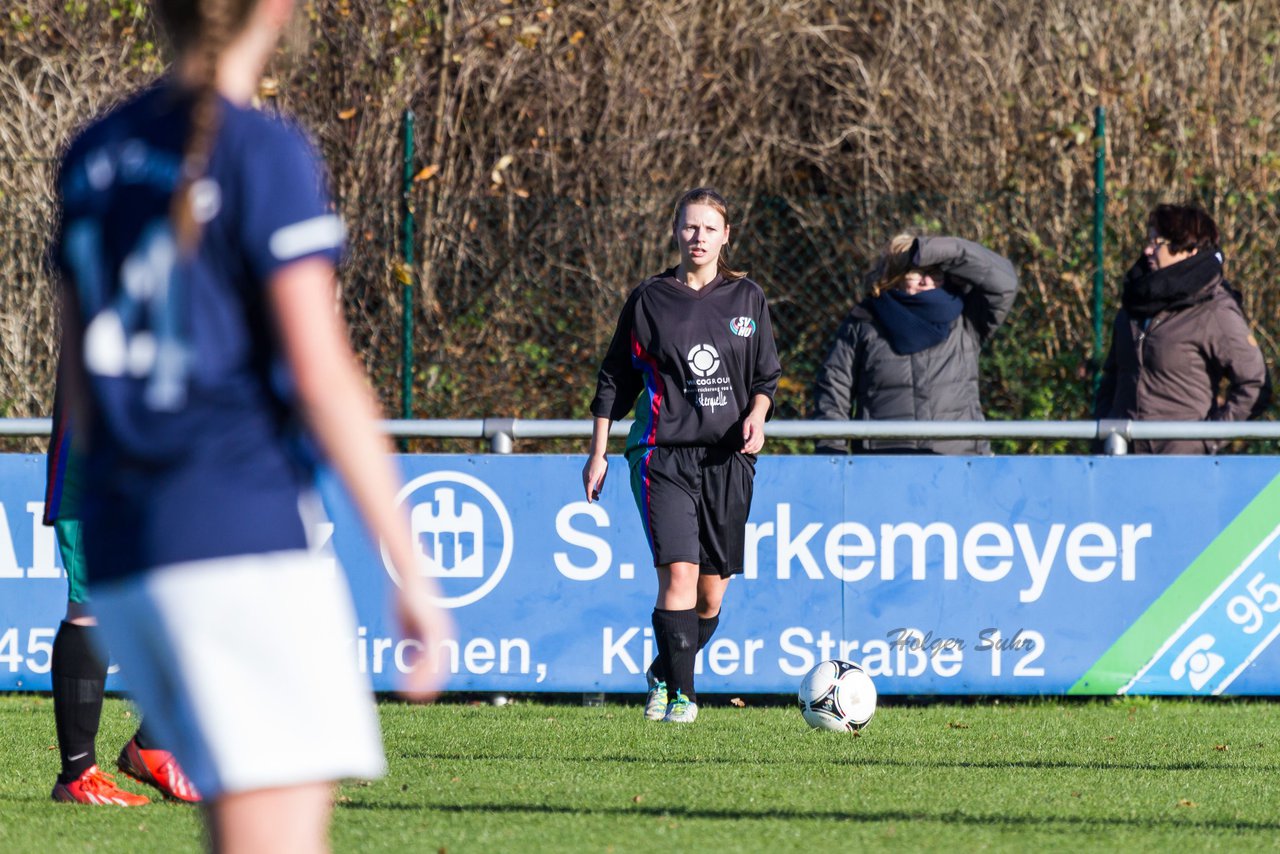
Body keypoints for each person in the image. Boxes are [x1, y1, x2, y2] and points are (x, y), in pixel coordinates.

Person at [52, 0, 451, 849]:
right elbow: (323, 375)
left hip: (129, 548)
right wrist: (411, 571)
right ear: (274, 12)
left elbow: (80, 382)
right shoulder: (261, 150)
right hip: (234, 529)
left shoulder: (90, 157)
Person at [583, 187, 781, 724]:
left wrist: (757, 413)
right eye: (690, 227)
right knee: (678, 575)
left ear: (725, 236)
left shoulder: (748, 298)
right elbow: (613, 379)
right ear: (675, 231)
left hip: (727, 461)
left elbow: (766, 376)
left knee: (711, 597)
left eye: (709, 229)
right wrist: (598, 452)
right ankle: (682, 698)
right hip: (661, 457)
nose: (698, 237)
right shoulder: (650, 298)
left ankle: (664, 671)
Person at [45, 397, 199, 805]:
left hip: (155, 456)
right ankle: (78, 775)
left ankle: (153, 745)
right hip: (92, 452)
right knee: (88, 605)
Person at [812, 234, 1018, 454]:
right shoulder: (864, 322)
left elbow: (1004, 283)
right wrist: (832, 457)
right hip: (884, 464)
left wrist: (949, 250)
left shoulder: (966, 318)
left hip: (959, 461)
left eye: (935, 273)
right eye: (916, 273)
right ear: (894, 276)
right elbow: (834, 390)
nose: (926, 281)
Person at [1095, 203, 1269, 453]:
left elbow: (1255, 384)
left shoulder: (1215, 310)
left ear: (1189, 249)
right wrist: (1103, 429)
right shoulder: (1133, 304)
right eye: (1149, 240)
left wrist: (1205, 440)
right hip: (1119, 458)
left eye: (1158, 243)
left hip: (1182, 467)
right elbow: (1112, 376)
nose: (1147, 250)